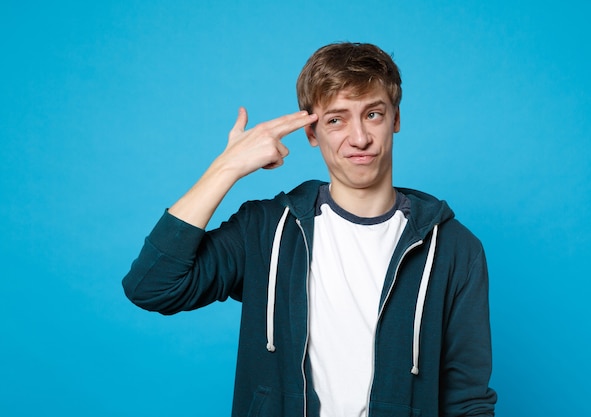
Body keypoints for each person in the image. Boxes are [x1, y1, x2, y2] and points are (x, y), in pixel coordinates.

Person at [122, 42, 497, 417]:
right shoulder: (266, 230)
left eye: (373, 114)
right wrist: (227, 168)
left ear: (396, 119)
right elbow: (152, 287)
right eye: (336, 119)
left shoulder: (452, 248)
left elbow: (467, 401)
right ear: (311, 132)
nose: (359, 138)